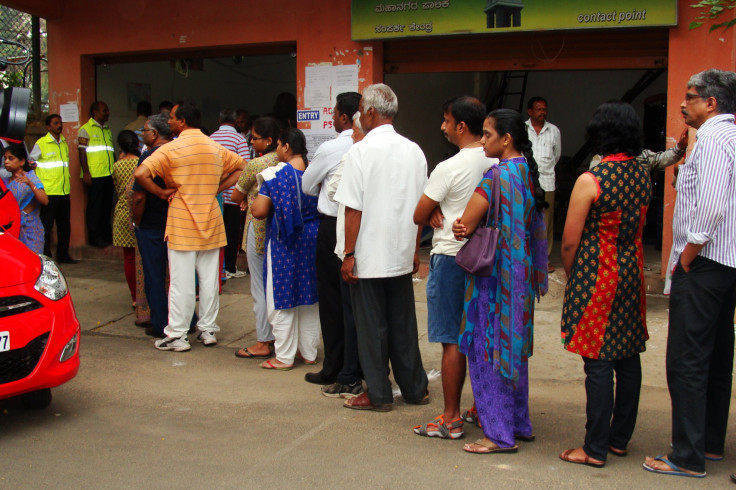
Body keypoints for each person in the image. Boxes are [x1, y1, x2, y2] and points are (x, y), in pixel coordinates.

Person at [643, 69, 736, 479]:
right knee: (715, 356)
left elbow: (713, 206)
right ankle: (709, 444)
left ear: (711, 103)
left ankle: (687, 455)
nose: (683, 103)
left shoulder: (714, 140)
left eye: (691, 97)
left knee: (687, 360)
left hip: (704, 262)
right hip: (724, 264)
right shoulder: (728, 137)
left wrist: (687, 255)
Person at [558, 101, 651, 468]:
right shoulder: (642, 174)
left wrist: (572, 274)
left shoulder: (591, 179)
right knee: (628, 354)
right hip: (632, 272)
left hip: (598, 275)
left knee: (597, 360)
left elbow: (569, 241)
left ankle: (594, 448)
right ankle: (618, 440)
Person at [452, 108, 547, 454]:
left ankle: (498, 434)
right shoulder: (527, 174)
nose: (482, 140)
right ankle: (519, 423)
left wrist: (460, 227)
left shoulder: (495, 176)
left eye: (487, 135)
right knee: (514, 351)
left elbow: (467, 221)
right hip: (519, 278)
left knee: (488, 352)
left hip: (493, 282)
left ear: (505, 139)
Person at [335, 83, 429, 412]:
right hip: (401, 252)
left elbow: (353, 209)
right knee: (402, 323)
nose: (360, 115)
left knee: (371, 326)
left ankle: (377, 393)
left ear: (372, 112)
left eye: (362, 109)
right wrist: (415, 250)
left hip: (369, 255)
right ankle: (416, 388)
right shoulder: (414, 150)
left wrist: (348, 254)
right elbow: (421, 207)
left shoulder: (360, 152)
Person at [134, 101, 246, 352]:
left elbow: (141, 175)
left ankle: (178, 335)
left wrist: (161, 193)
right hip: (211, 219)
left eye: (172, 118)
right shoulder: (214, 147)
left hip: (182, 221)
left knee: (181, 282)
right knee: (208, 280)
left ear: (182, 122)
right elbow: (242, 167)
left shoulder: (171, 149)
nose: (169, 121)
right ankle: (207, 330)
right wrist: (217, 188)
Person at [412, 96, 493, 439]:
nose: (442, 127)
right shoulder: (498, 162)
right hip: (488, 258)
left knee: (451, 340)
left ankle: (450, 417)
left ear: (461, 126)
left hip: (451, 257)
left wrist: (432, 210)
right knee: (481, 336)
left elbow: (418, 214)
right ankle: (482, 407)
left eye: (446, 121)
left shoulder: (450, 167)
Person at [301, 92, 361, 388]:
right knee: (356, 302)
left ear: (344, 117)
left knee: (333, 301)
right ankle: (358, 365)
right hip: (362, 225)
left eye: (335, 113)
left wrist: (326, 183)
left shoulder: (334, 147)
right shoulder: (370, 145)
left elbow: (307, 185)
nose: (333, 118)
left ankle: (335, 367)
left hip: (334, 224)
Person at [250, 128, 320, 370]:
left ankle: (284, 356)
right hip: (311, 239)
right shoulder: (314, 173)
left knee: (281, 295)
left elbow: (258, 211)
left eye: (278, 146)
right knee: (308, 296)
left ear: (286, 147)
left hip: (285, 240)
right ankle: (309, 352)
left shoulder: (276, 176)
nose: (277, 151)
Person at [230, 117, 282, 359]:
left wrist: (244, 198)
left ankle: (263, 341)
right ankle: (282, 338)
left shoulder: (256, 164)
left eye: (255, 137)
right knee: (277, 285)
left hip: (258, 227)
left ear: (269, 140)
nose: (251, 141)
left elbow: (235, 194)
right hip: (281, 230)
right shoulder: (286, 161)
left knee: (259, 287)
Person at [131, 113, 177, 338]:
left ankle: (160, 322)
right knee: (179, 276)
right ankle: (188, 319)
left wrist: (137, 221)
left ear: (155, 134)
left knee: (155, 276)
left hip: (152, 223)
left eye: (144, 130)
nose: (142, 134)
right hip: (176, 221)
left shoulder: (149, 156)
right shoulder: (178, 153)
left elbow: (139, 197)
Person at [29, 113, 77, 263]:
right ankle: (46, 255)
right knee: (47, 226)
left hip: (64, 191)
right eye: (56, 123)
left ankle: (63, 254)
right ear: (48, 127)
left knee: (64, 225)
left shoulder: (63, 142)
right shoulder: (41, 143)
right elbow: (31, 162)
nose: (59, 125)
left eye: (60, 122)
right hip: (49, 191)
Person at [210, 108, 251, 279]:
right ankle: (231, 268)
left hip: (215, 193)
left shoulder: (211, 138)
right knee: (232, 232)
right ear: (235, 122)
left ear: (219, 121)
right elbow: (246, 168)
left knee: (217, 232)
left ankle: (219, 269)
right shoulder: (239, 139)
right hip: (234, 194)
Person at [525, 96, 561, 272]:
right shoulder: (522, 129)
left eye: (544, 109)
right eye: (538, 109)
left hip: (547, 183)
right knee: (525, 219)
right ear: (530, 111)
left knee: (545, 221)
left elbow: (557, 155)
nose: (542, 112)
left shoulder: (554, 131)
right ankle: (526, 257)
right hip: (525, 183)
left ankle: (543, 259)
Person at [78, 101, 115, 248]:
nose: (107, 113)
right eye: (104, 111)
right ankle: (95, 238)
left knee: (106, 207)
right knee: (95, 207)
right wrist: (86, 172)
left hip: (108, 174)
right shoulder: (85, 130)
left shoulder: (107, 129)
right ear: (95, 112)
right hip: (95, 175)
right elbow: (82, 152)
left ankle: (106, 235)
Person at [112, 130, 142, 311]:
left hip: (123, 213)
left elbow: (118, 190)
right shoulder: (142, 162)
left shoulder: (117, 166)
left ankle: (134, 297)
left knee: (129, 258)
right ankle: (145, 294)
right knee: (144, 257)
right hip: (139, 211)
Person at [1, 144, 48, 253]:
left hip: (30, 230)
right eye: (5, 158)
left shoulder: (30, 177)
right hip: (12, 230)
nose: (6, 162)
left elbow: (45, 200)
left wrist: (30, 184)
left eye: (11, 158)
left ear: (22, 161)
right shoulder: (4, 182)